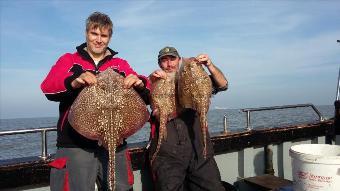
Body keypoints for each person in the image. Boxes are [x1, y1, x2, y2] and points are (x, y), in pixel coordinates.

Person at [41, 12, 150, 191]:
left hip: (116, 142)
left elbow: (146, 95)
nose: (99, 40)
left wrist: (139, 82)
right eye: (94, 34)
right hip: (76, 144)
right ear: (86, 33)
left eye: (104, 35)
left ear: (109, 38)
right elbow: (48, 87)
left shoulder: (119, 64)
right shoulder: (69, 60)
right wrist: (74, 81)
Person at [148, 46, 228, 191]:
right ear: (159, 64)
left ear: (179, 60)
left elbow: (222, 84)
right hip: (167, 153)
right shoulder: (155, 82)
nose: (169, 64)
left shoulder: (192, 80)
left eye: (172, 59)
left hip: (199, 146)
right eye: (164, 61)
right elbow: (143, 93)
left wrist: (209, 65)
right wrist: (152, 82)